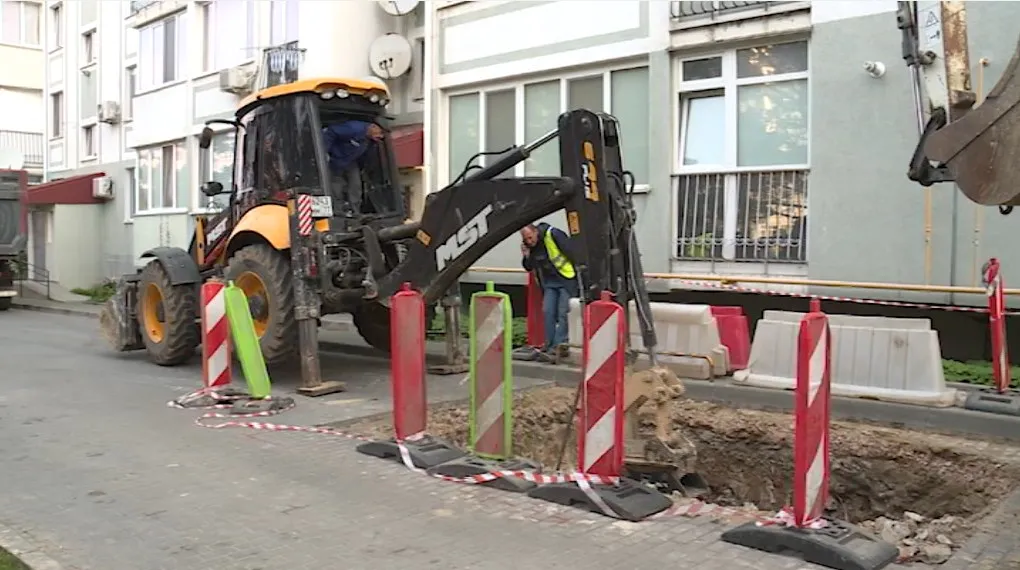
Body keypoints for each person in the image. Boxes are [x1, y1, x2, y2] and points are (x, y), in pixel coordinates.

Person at [520, 222, 578, 363]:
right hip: (549, 282)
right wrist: (526, 255)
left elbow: (572, 253)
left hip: (566, 278)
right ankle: (549, 344)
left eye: (530, 237)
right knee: (547, 311)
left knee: (563, 313)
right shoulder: (532, 247)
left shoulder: (553, 234)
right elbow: (529, 267)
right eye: (526, 240)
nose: (529, 241)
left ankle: (558, 346)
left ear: (535, 232)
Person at [322, 120, 385, 216]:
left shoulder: (370, 141)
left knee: (356, 185)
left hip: (350, 162)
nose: (381, 137)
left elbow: (366, 155)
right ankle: (338, 212)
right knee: (336, 187)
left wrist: (364, 167)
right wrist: (324, 152)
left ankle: (355, 212)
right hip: (335, 161)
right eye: (380, 133)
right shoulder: (353, 128)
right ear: (373, 126)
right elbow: (331, 132)